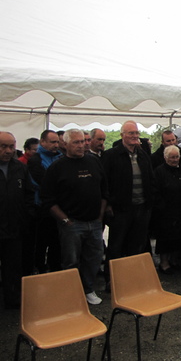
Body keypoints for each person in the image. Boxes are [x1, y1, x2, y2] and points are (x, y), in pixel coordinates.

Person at [41, 129, 108, 305]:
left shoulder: (94, 162)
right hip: (72, 224)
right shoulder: (57, 167)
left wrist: (100, 216)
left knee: (93, 259)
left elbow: (104, 190)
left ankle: (88, 290)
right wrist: (65, 221)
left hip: (94, 222)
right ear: (66, 144)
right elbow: (47, 199)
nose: (81, 145)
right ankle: (71, 294)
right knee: (70, 262)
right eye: (76, 142)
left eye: (83, 142)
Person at [102, 120, 156, 289]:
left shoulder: (142, 155)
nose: (134, 136)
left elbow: (151, 179)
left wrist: (150, 202)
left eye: (136, 133)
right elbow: (104, 182)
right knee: (116, 246)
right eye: (130, 133)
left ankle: (131, 278)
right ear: (122, 135)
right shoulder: (111, 156)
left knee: (136, 245)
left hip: (141, 207)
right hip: (121, 209)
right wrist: (108, 204)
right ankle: (112, 281)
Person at [0, 131, 35, 309]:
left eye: (11, 146)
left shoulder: (19, 167)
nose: (8, 150)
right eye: (3, 146)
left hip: (15, 228)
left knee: (12, 267)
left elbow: (29, 194)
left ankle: (12, 299)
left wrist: (25, 217)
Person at [151, 145, 181, 274]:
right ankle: (164, 263)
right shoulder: (159, 172)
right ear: (165, 158)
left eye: (177, 157)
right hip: (166, 213)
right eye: (172, 157)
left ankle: (175, 260)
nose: (175, 159)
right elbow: (155, 191)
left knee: (180, 238)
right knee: (166, 240)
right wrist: (162, 207)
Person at [28, 129, 63, 273]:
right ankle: (40, 269)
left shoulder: (60, 157)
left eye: (57, 142)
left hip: (59, 207)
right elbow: (43, 182)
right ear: (42, 142)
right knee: (41, 243)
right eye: (52, 142)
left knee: (57, 242)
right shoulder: (36, 160)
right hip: (42, 209)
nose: (56, 145)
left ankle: (55, 269)